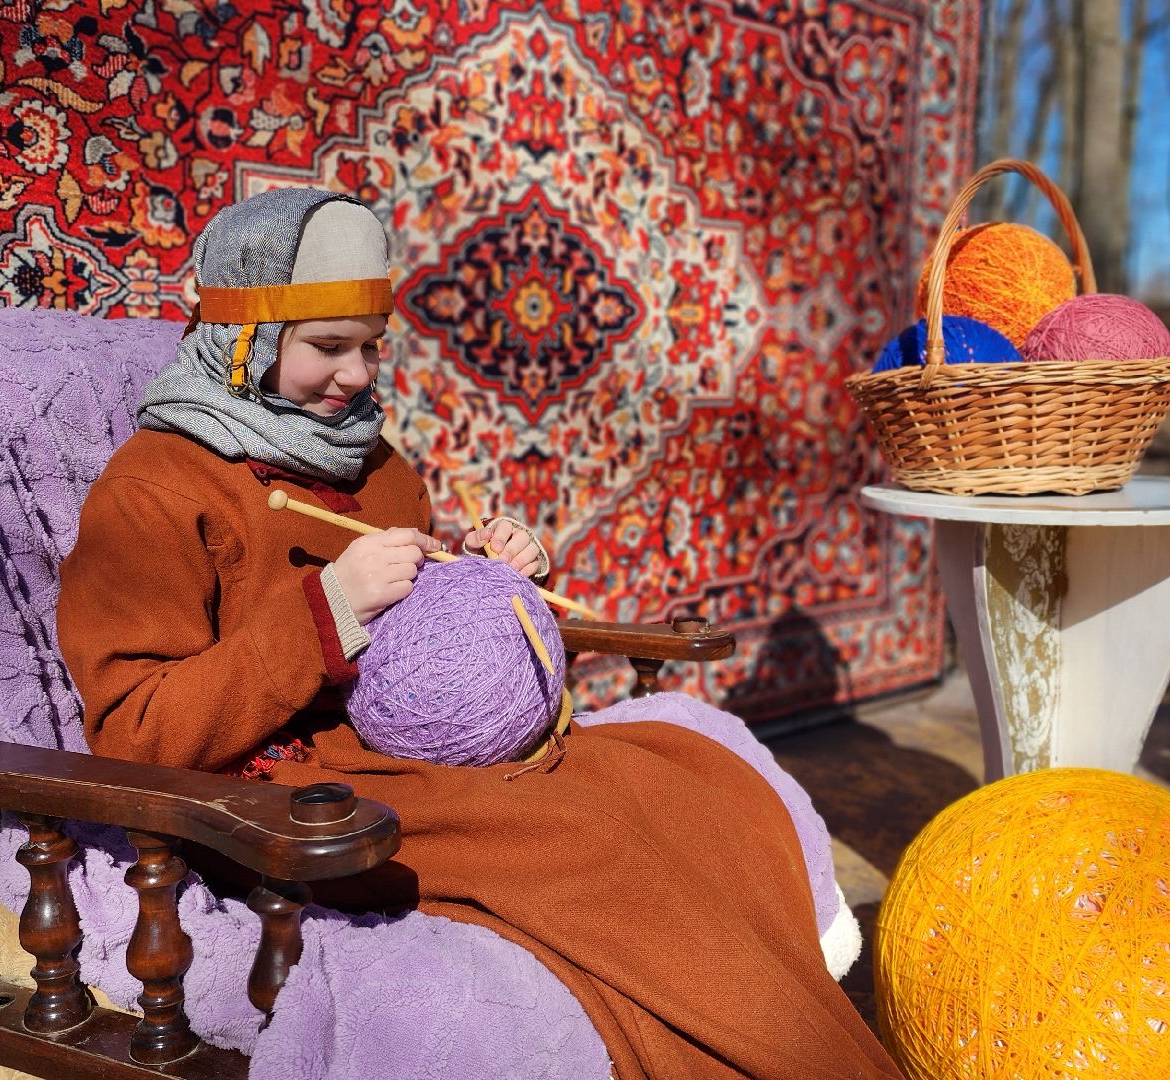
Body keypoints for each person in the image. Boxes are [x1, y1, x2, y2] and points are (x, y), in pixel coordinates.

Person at [57, 187, 899, 1078]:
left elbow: (421, 633)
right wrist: (329, 611)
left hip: (402, 754)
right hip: (280, 801)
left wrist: (491, 579)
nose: (358, 377)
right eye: (327, 349)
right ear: (243, 342)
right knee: (586, 841)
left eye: (370, 346)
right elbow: (131, 730)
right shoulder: (150, 491)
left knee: (680, 780)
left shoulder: (374, 463)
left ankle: (792, 1029)